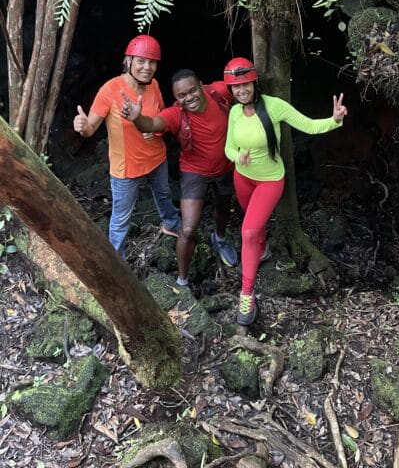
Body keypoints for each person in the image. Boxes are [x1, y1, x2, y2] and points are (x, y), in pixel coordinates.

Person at [223, 57, 347, 326]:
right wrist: (237, 157)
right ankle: (263, 249)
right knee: (254, 230)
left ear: (254, 83)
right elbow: (228, 148)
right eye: (235, 87)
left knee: (248, 231)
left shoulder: (273, 106)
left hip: (269, 181)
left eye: (245, 85)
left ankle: (246, 293)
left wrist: (334, 120)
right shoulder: (234, 113)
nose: (241, 91)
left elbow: (309, 125)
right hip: (242, 178)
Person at [120, 68, 238, 285]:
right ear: (175, 98)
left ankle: (219, 238)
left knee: (223, 206)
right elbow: (153, 124)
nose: (188, 98)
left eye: (192, 91)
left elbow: (243, 92)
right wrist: (138, 119)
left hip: (226, 166)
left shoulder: (219, 91)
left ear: (201, 86)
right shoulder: (176, 114)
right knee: (187, 228)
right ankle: (182, 281)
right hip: (194, 171)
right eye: (181, 96)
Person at [73, 35, 180, 257]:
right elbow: (90, 128)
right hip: (126, 168)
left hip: (156, 157)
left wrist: (154, 128)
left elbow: (160, 116)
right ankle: (116, 264)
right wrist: (82, 126)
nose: (147, 67)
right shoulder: (110, 89)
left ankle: (172, 224)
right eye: (141, 61)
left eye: (152, 62)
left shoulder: (155, 86)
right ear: (128, 61)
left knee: (163, 194)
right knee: (121, 219)